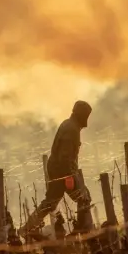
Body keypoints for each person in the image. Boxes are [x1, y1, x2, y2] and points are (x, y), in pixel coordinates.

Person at [21, 100, 92, 236]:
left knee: (50, 203)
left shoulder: (69, 125)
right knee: (84, 198)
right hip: (62, 172)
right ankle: (81, 234)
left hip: (58, 170)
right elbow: (65, 158)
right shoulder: (71, 129)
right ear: (82, 115)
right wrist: (69, 177)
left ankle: (26, 229)